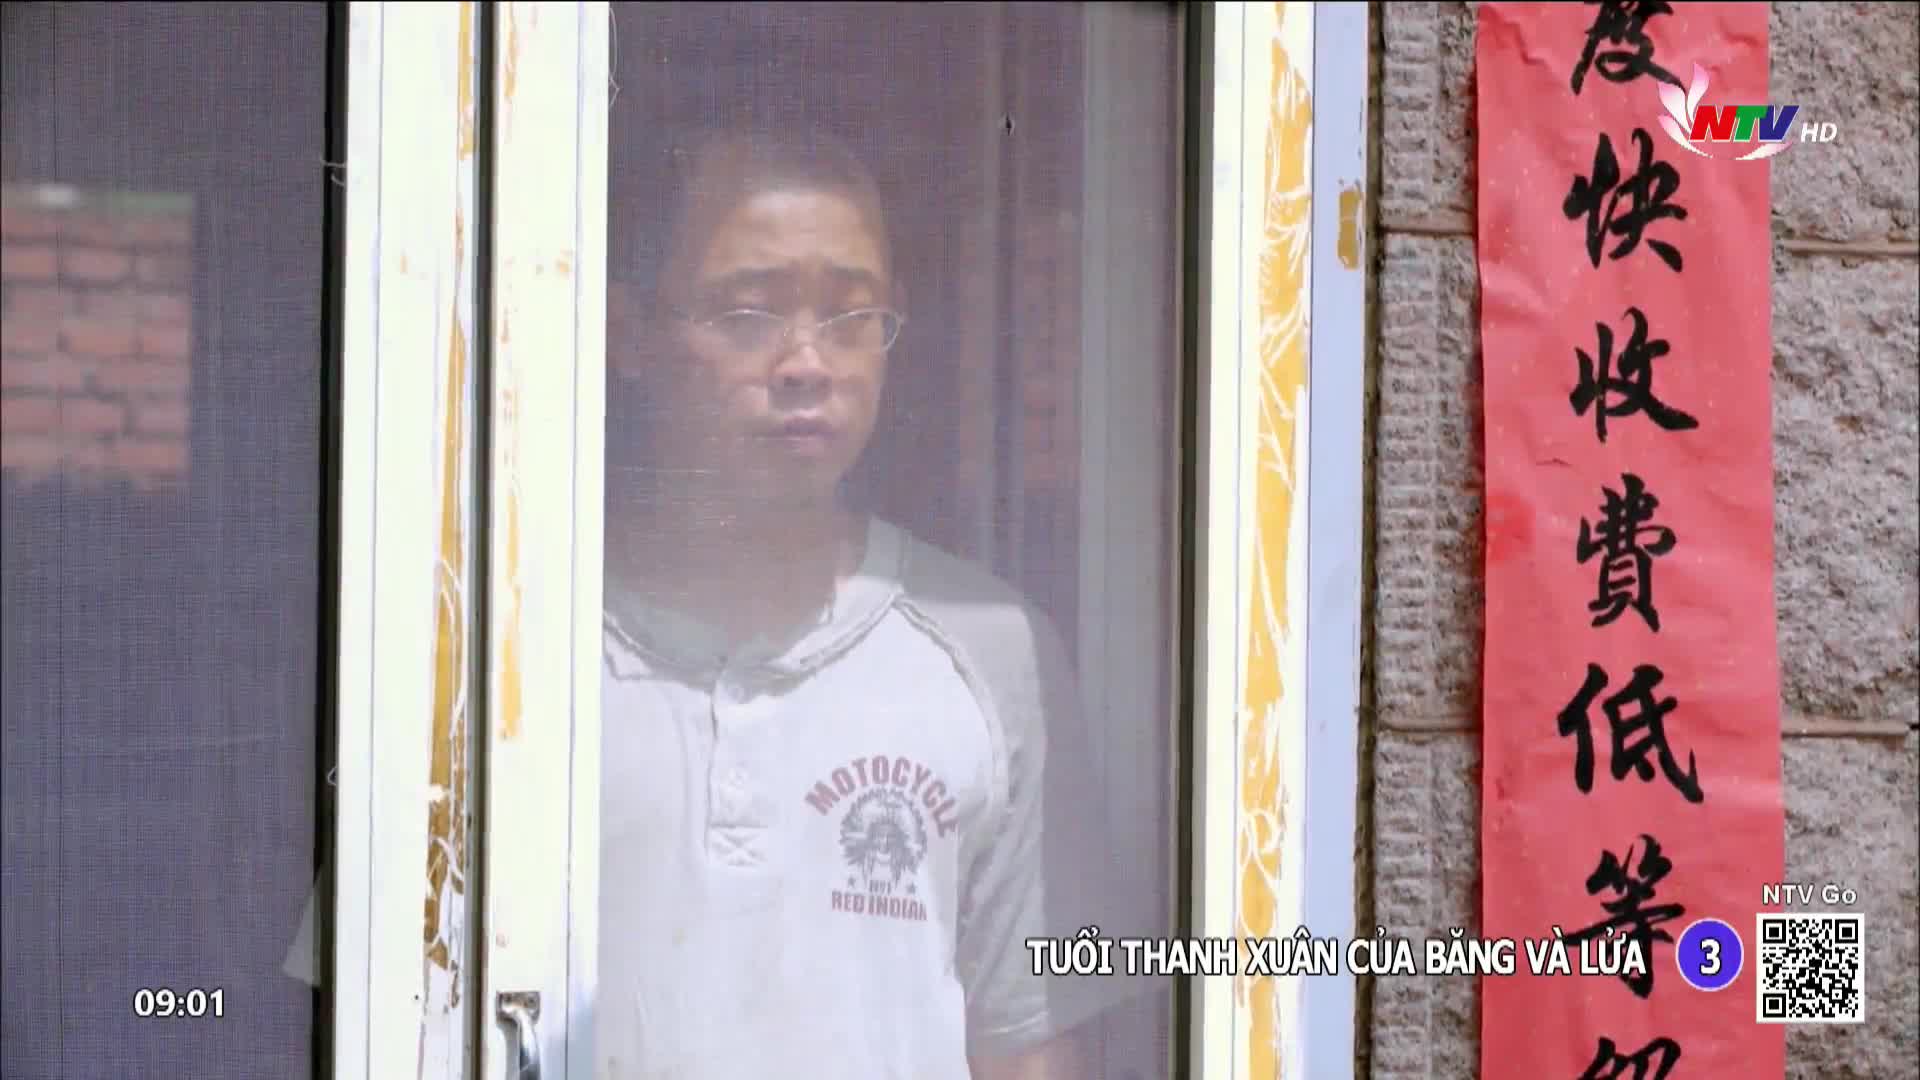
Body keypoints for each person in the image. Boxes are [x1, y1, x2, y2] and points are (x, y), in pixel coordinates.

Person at [597, 126, 1124, 1078]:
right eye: (748, 313)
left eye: (849, 316)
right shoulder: (508, 650)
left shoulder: (990, 652)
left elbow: (1031, 1050)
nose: (807, 361)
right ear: (627, 335)